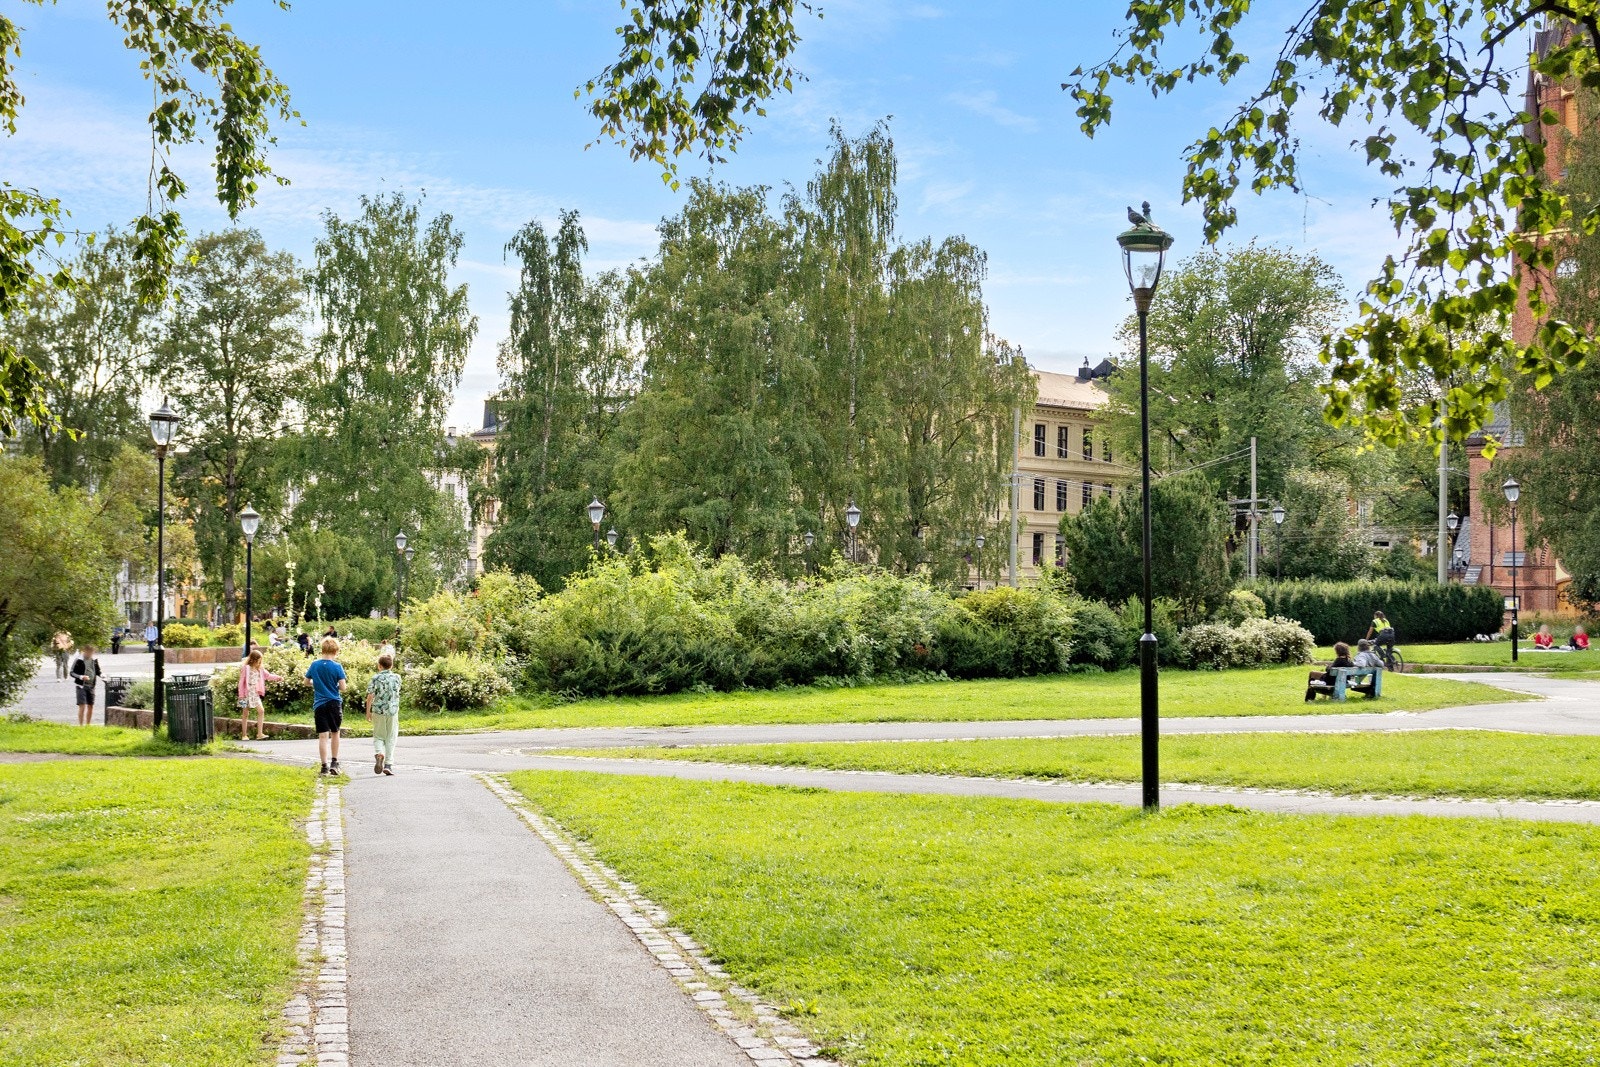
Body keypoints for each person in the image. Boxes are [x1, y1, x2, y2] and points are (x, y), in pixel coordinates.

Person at [305, 637, 348, 776]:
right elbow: (343, 687)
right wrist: (333, 685)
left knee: (323, 736)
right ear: (335, 651)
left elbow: (306, 682)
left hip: (319, 704)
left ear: (322, 649)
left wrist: (316, 684)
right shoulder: (337, 667)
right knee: (335, 732)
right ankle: (334, 762)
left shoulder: (314, 665)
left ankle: (324, 766)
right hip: (334, 703)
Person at [365, 653, 402, 776]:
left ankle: (379, 753)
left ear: (379, 666)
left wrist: (368, 712)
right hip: (392, 712)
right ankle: (388, 765)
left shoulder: (375, 678)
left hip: (378, 711)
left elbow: (370, 696)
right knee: (391, 737)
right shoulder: (397, 677)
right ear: (391, 666)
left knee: (378, 736)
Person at [236, 648, 284, 741]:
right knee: (245, 713)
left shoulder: (260, 669)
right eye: (259, 660)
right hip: (245, 694)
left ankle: (259, 734)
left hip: (255, 693)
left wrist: (278, 677)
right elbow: (241, 682)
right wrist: (241, 695)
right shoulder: (245, 668)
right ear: (253, 659)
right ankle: (244, 735)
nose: (260, 662)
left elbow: (268, 676)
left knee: (261, 710)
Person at [69, 644, 101, 726]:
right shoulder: (79, 660)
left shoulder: (94, 659)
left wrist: (101, 675)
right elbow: (72, 672)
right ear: (85, 651)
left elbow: (97, 671)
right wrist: (81, 677)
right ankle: (81, 725)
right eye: (89, 652)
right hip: (81, 686)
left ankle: (88, 725)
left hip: (91, 685)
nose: (90, 654)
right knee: (82, 705)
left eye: (92, 652)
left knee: (91, 705)